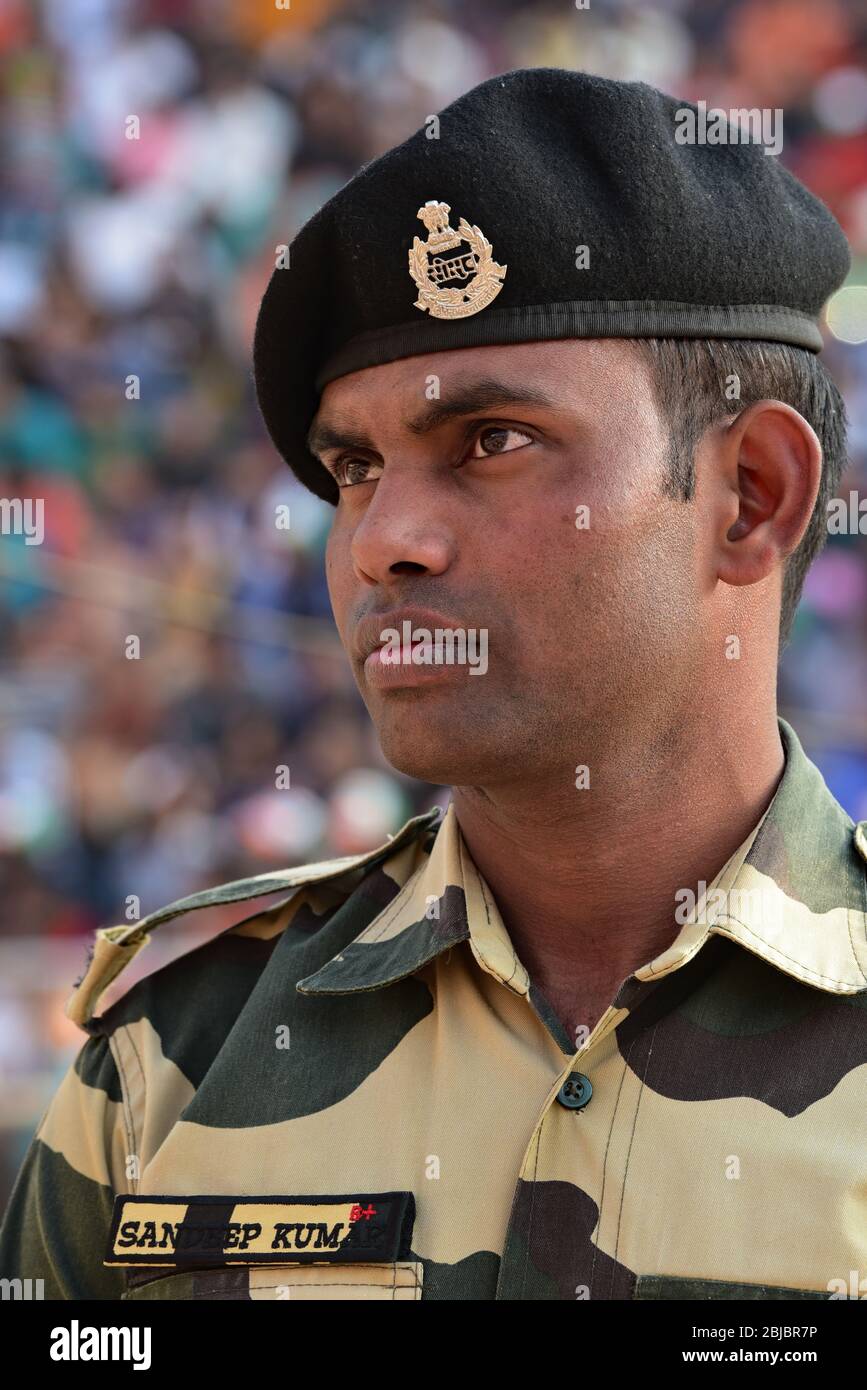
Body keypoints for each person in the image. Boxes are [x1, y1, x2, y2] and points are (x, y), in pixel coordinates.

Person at [1, 67, 865, 1302]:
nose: (377, 541)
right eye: (353, 464)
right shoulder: (177, 1056)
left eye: (492, 441)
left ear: (752, 496)